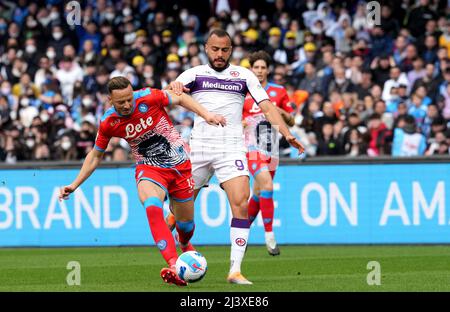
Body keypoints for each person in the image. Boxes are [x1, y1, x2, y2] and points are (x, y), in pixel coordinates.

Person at [166, 29, 304, 285]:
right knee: (180, 212)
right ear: (206, 48)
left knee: (241, 202)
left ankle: (235, 270)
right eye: (215, 49)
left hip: (231, 148)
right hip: (199, 148)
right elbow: (168, 95)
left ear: (231, 50)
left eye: (225, 50)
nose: (220, 54)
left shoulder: (243, 75)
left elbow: (267, 107)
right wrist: (173, 87)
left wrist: (286, 133)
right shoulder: (194, 74)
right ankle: (178, 247)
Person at [59, 77, 226, 287]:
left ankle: (183, 243)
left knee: (186, 226)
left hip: (181, 165)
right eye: (121, 102)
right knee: (152, 206)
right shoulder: (108, 122)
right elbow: (95, 155)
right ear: (110, 100)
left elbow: (180, 97)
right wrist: (74, 185)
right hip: (149, 168)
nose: (127, 105)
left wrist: (207, 114)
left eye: (129, 99)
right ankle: (174, 264)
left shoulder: (149, 96)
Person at [242, 50, 295, 256]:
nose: (260, 71)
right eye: (256, 67)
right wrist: (243, 122)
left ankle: (242, 233)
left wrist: (277, 111)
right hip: (251, 146)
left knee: (258, 192)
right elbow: (234, 120)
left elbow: (291, 120)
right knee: (267, 185)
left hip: (272, 146)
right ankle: (269, 235)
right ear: (251, 69)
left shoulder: (279, 91)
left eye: (263, 68)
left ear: (268, 70)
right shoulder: (242, 92)